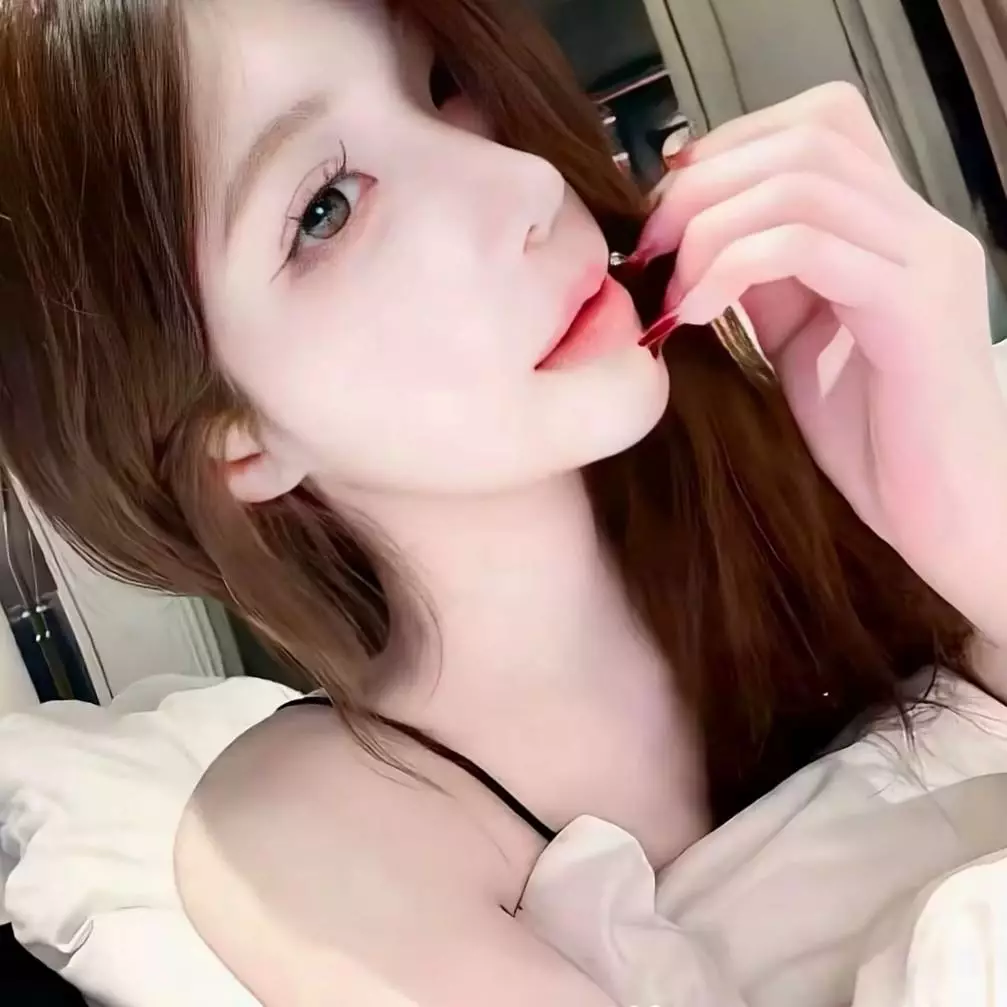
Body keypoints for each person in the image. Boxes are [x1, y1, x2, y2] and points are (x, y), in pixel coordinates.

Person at [1, 0, 1005, 1004]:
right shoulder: (327, 832)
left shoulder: (832, 429)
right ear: (231, 439)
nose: (523, 180)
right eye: (326, 208)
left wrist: (970, 519)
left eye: (442, 82)